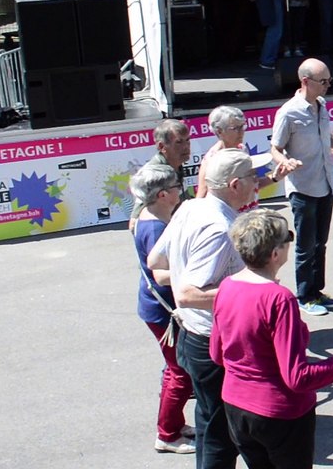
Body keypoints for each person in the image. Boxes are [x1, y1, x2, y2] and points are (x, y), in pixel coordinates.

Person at [210, 209, 333, 468]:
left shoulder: (227, 286)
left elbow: (217, 353)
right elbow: (298, 377)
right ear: (275, 254)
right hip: (279, 413)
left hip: (236, 407)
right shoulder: (279, 299)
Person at [147, 149, 262, 469]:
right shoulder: (221, 227)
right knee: (222, 435)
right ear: (236, 184)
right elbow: (187, 294)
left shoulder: (191, 208)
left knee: (213, 421)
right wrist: (253, 294)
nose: (258, 185)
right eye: (253, 179)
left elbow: (156, 261)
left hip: (193, 337)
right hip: (213, 341)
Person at [270, 58, 333, 317]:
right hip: (303, 187)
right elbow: (275, 148)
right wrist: (286, 161)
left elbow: (327, 142)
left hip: (325, 183)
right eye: (323, 81)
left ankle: (317, 291)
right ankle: (304, 295)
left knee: (320, 243)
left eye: (328, 80)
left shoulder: (322, 105)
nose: (327, 85)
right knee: (305, 244)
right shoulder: (289, 112)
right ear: (305, 81)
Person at [130, 163, 195, 455]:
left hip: (157, 308)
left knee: (178, 369)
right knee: (180, 372)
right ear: (162, 195)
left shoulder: (152, 216)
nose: (179, 191)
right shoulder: (155, 226)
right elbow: (161, 275)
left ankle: (175, 425)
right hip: (163, 312)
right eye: (175, 188)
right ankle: (167, 434)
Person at [195, 105, 284, 206]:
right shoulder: (212, 159)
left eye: (243, 126)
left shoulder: (242, 149)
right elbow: (202, 197)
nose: (242, 132)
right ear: (219, 131)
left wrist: (275, 177)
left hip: (249, 213)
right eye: (235, 128)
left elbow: (250, 184)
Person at [131, 118, 193, 228]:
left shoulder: (177, 164)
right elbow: (134, 223)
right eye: (179, 142)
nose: (186, 146)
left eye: (187, 140)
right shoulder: (152, 175)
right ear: (161, 147)